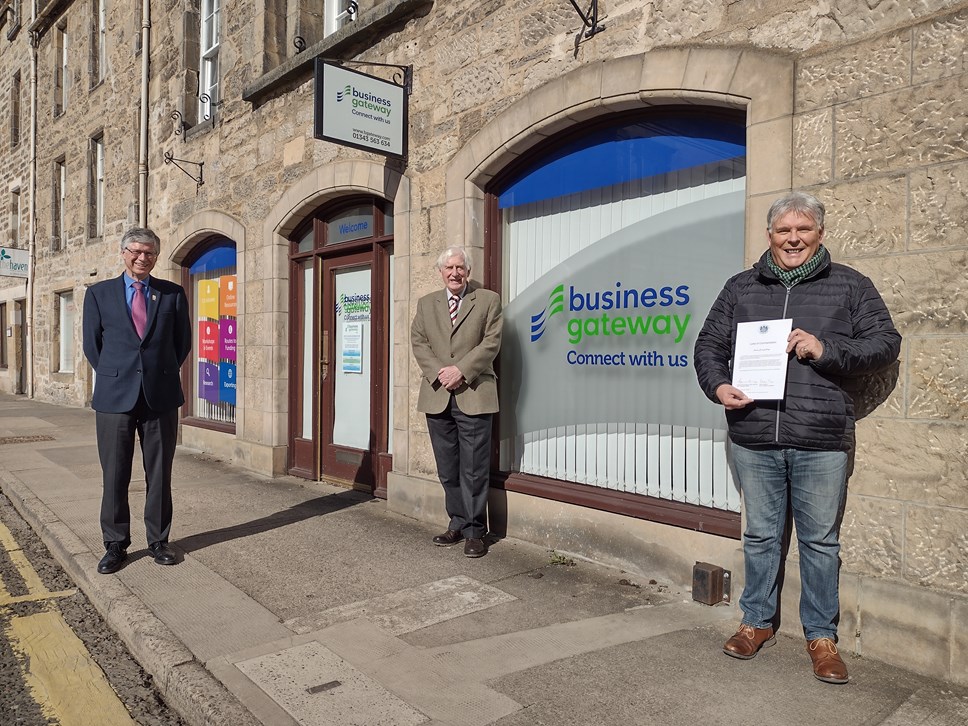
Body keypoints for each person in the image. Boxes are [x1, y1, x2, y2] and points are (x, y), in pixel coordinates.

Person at [693, 191, 901, 684]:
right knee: (761, 535)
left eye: (803, 230)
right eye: (784, 231)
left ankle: (821, 637)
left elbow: (886, 343)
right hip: (754, 434)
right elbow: (708, 345)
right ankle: (755, 622)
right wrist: (719, 385)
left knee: (820, 543)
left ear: (819, 234)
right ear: (770, 236)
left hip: (821, 438)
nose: (793, 239)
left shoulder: (850, 286)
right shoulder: (741, 287)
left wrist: (825, 348)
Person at [83, 228, 192, 574]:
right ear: (123, 252)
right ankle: (115, 544)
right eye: (136, 251)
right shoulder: (99, 294)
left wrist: (157, 371)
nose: (142, 258)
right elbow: (92, 345)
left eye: (150, 253)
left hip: (160, 395)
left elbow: (182, 344)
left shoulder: (172, 294)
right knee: (114, 473)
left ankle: (159, 541)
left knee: (159, 472)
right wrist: (119, 374)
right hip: (114, 396)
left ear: (156, 257)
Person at [411, 246, 503, 558]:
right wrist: (441, 373)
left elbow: (492, 342)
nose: (455, 273)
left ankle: (476, 532)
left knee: (475, 468)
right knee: (448, 468)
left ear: (468, 271)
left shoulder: (488, 300)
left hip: (474, 393)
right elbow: (419, 342)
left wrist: (461, 371)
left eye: (460, 267)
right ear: (440, 272)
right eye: (449, 268)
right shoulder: (426, 304)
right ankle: (458, 522)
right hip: (437, 395)